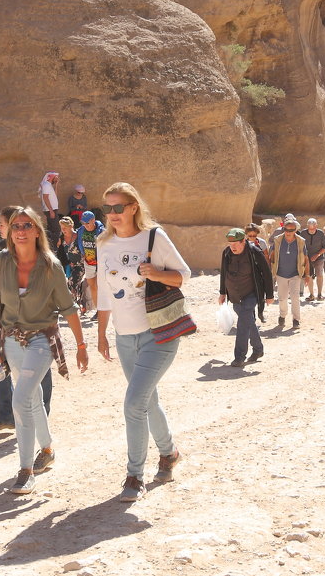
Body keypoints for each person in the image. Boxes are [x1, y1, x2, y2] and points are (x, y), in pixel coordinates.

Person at [95, 182, 190, 502]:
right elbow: (105, 292)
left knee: (134, 403)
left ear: (134, 207)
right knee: (147, 401)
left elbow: (183, 275)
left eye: (118, 207)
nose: (112, 214)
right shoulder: (103, 243)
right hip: (124, 338)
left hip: (158, 333)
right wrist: (101, 334)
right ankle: (170, 453)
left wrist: (157, 274)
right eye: (107, 208)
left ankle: (134, 475)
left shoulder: (154, 237)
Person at [0, 207, 87, 495]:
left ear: (37, 231)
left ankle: (26, 469)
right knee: (32, 398)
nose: (20, 230)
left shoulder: (50, 265)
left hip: (41, 339)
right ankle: (48, 449)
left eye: (27, 225)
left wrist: (81, 345)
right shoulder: (2, 261)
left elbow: (68, 307)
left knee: (20, 400)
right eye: (16, 225)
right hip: (10, 340)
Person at [0, 207, 54, 431]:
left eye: (3, 224)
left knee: (37, 372)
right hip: (7, 324)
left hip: (35, 328)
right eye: (11, 226)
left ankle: (38, 417)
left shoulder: (41, 260)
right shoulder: (3, 257)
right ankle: (7, 413)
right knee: (1, 365)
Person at [218, 228, 274, 367]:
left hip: (251, 293)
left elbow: (266, 273)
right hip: (235, 295)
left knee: (242, 323)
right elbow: (224, 273)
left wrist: (270, 294)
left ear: (244, 241)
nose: (233, 247)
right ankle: (258, 349)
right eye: (230, 244)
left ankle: (239, 356)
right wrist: (222, 292)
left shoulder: (254, 252)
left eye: (236, 243)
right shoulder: (226, 253)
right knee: (248, 321)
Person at [269, 214, 308, 329]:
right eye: (286, 229)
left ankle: (296, 319)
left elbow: (305, 258)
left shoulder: (301, 242)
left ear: (295, 230)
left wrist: (307, 274)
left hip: (295, 274)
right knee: (282, 298)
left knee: (295, 297)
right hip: (281, 274)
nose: (288, 232)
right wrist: (270, 271)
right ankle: (282, 316)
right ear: (284, 229)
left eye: (291, 230)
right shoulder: (278, 240)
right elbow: (271, 255)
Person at [77, 210, 104, 313]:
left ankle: (104, 309)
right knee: (93, 287)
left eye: (87, 223)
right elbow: (79, 242)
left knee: (101, 287)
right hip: (88, 262)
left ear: (93, 220)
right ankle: (98, 310)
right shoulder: (81, 230)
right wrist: (82, 252)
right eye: (83, 223)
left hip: (100, 263)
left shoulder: (102, 231)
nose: (85, 225)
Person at [301, 218, 325, 302]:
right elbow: (300, 245)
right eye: (310, 228)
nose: (311, 230)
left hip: (319, 258)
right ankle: (311, 294)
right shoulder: (303, 233)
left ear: (316, 226)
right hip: (307, 258)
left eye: (313, 228)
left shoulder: (320, 233)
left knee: (319, 275)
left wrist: (317, 255)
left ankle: (319, 294)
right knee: (309, 275)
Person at [38, 171, 61, 247]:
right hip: (50, 210)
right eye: (56, 177)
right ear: (52, 177)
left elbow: (55, 195)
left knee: (51, 229)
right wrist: (51, 211)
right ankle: (54, 247)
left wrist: (56, 185)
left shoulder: (48, 185)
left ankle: (49, 246)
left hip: (52, 210)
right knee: (56, 229)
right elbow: (45, 197)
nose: (57, 179)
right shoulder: (46, 185)